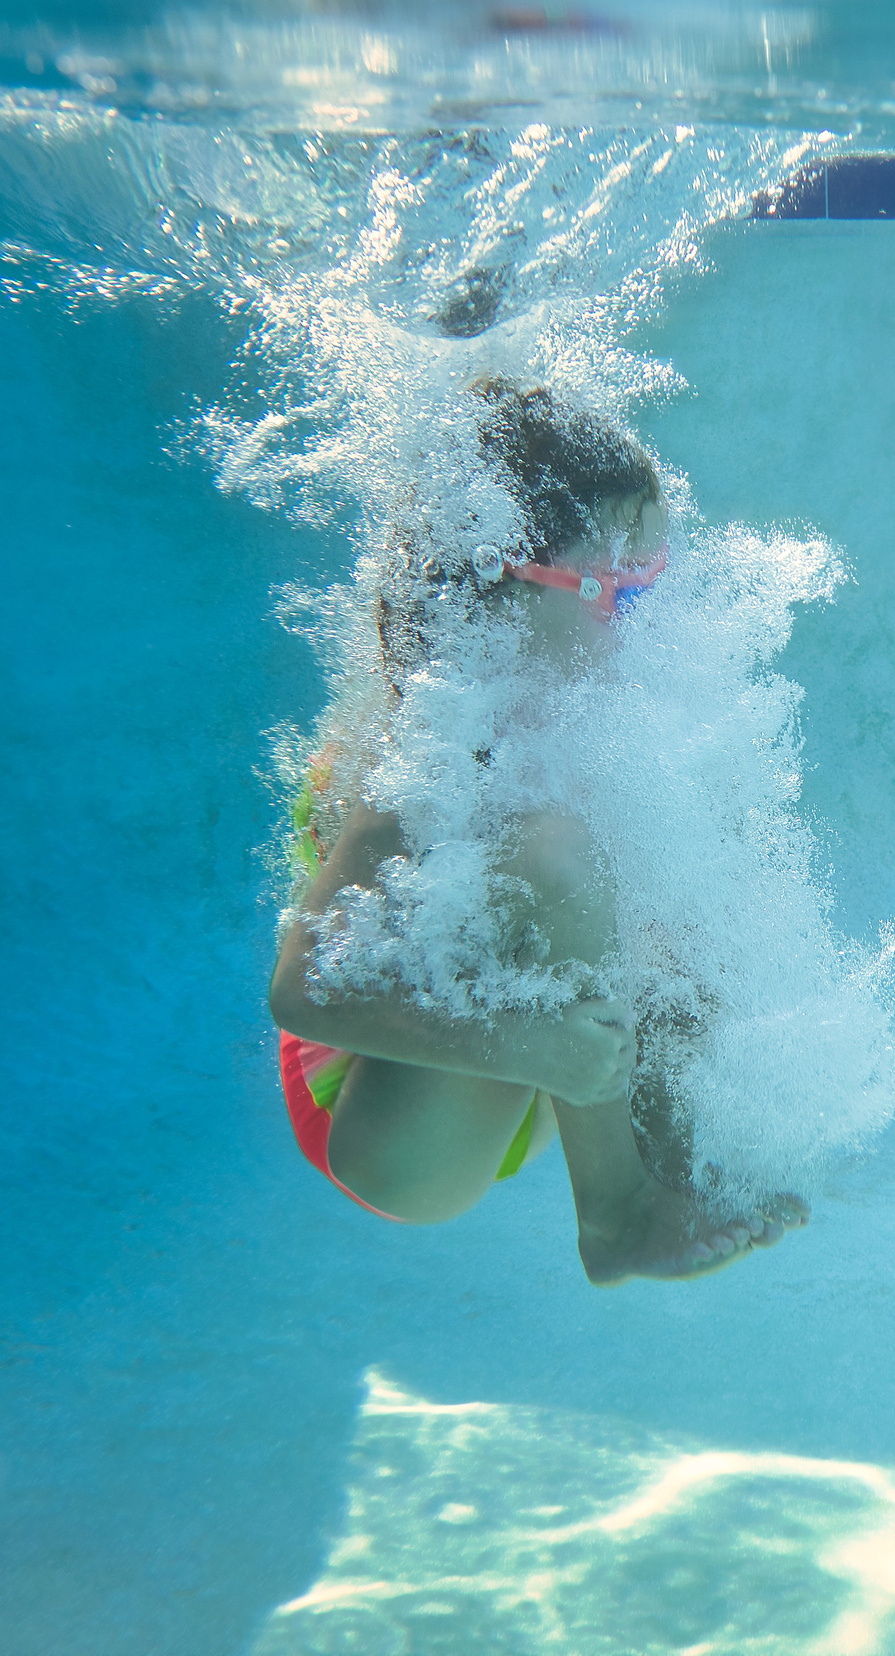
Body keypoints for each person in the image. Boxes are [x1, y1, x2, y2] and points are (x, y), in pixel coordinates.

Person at [268, 382, 805, 1283]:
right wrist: (518, 1044)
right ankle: (616, 1213)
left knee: (679, 884)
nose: (643, 626)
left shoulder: (580, 711)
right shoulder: (428, 746)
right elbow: (301, 994)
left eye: (653, 584)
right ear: (504, 591)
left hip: (540, 1055)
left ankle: (675, 1175)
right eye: (617, 596)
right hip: (382, 1118)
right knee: (559, 855)